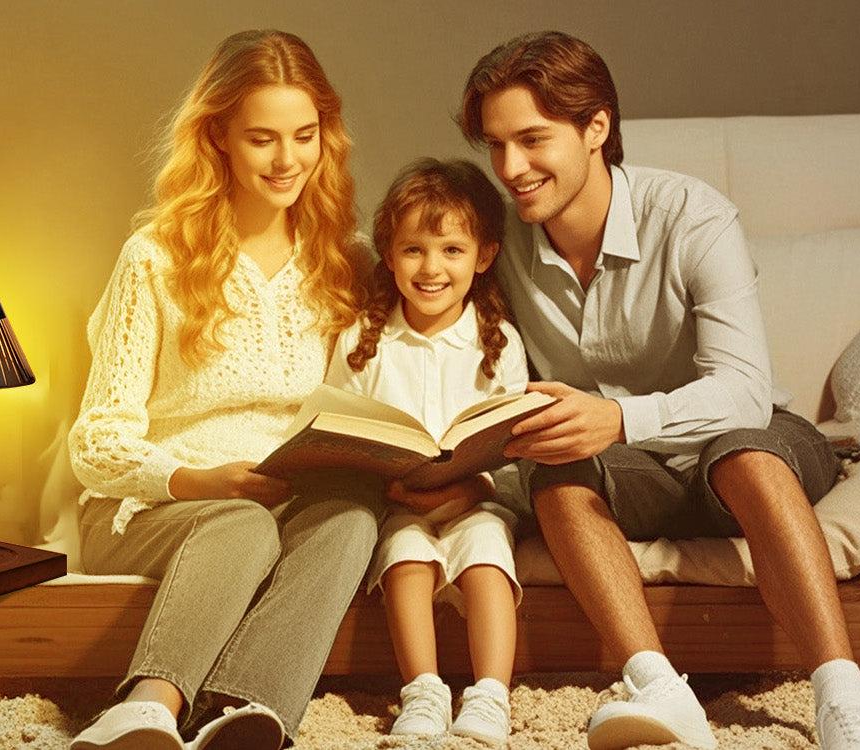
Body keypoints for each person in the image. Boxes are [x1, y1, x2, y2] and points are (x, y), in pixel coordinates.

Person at [458, 31, 860, 750]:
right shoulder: (497, 238)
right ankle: (658, 687)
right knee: (554, 474)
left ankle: (845, 698)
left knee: (745, 453)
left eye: (533, 140)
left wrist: (619, 417)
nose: (512, 167)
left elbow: (745, 392)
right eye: (496, 145)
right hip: (628, 474)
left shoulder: (693, 217)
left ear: (596, 127)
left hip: (745, 444)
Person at [67, 29, 376, 750]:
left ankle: (245, 711)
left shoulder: (342, 263)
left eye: (305, 135)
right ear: (219, 139)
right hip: (152, 507)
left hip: (284, 498)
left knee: (352, 519)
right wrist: (202, 479)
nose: (288, 159)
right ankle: (147, 708)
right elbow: (96, 444)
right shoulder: (154, 258)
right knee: (239, 521)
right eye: (262, 138)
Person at [325, 158, 524, 747]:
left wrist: (475, 487)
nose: (431, 268)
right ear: (388, 254)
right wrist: (378, 481)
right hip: (397, 503)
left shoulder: (500, 342)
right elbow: (336, 432)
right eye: (413, 250)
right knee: (407, 553)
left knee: (487, 551)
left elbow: (515, 446)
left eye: (451, 251)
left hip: (474, 502)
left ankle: (490, 695)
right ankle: (424, 690)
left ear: (483, 256)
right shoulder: (363, 338)